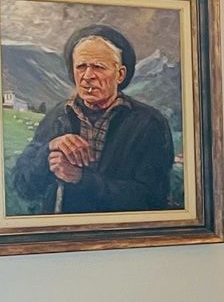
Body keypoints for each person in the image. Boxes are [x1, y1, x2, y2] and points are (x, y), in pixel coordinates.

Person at [8, 24, 175, 215]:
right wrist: (49, 150)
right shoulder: (58, 116)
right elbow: (23, 186)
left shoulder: (149, 123)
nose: (88, 76)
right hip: (63, 236)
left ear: (120, 74)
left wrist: (82, 179)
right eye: (81, 66)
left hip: (121, 236)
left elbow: (152, 199)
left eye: (98, 67)